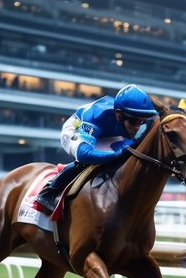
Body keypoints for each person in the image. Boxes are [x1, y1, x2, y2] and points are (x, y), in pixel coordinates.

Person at [33, 84, 159, 212]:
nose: (138, 127)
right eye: (133, 121)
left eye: (142, 121)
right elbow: (84, 154)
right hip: (77, 129)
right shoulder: (98, 114)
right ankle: (50, 191)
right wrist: (117, 154)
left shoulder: (136, 118)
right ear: (118, 114)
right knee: (90, 159)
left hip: (110, 134)